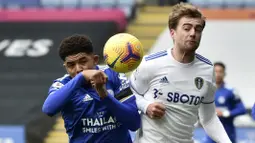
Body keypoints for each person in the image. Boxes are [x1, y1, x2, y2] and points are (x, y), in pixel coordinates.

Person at [129, 3, 232, 143]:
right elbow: (130, 95)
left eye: (198, 29)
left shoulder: (207, 69)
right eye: (187, 28)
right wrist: (146, 106)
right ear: (173, 33)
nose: (193, 33)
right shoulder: (150, 63)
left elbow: (209, 119)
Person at [42, 35, 140, 143]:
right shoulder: (63, 84)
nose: (78, 69)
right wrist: (82, 76)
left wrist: (105, 96)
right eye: (71, 65)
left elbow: (134, 123)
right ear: (65, 66)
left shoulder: (114, 75)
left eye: (83, 62)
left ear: (95, 60)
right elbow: (48, 109)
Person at [203, 62, 246, 143]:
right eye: (215, 71)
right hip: (210, 135)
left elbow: (242, 109)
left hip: (227, 133)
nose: (218, 74)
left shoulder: (231, 91)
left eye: (220, 71)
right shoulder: (205, 90)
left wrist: (226, 113)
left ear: (224, 73)